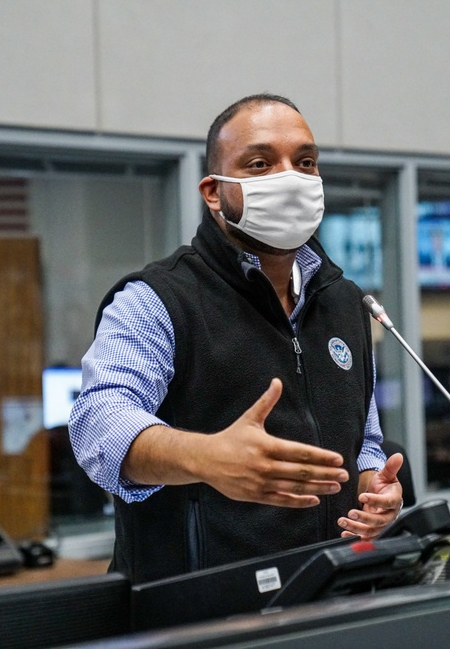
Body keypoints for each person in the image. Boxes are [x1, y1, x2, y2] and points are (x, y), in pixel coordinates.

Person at [69, 93, 404, 584]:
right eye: (260, 163)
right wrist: (206, 458)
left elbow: (364, 443)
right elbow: (98, 426)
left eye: (305, 162)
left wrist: (376, 490)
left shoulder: (345, 303)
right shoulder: (158, 299)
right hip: (197, 613)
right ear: (213, 191)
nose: (289, 177)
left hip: (331, 595)